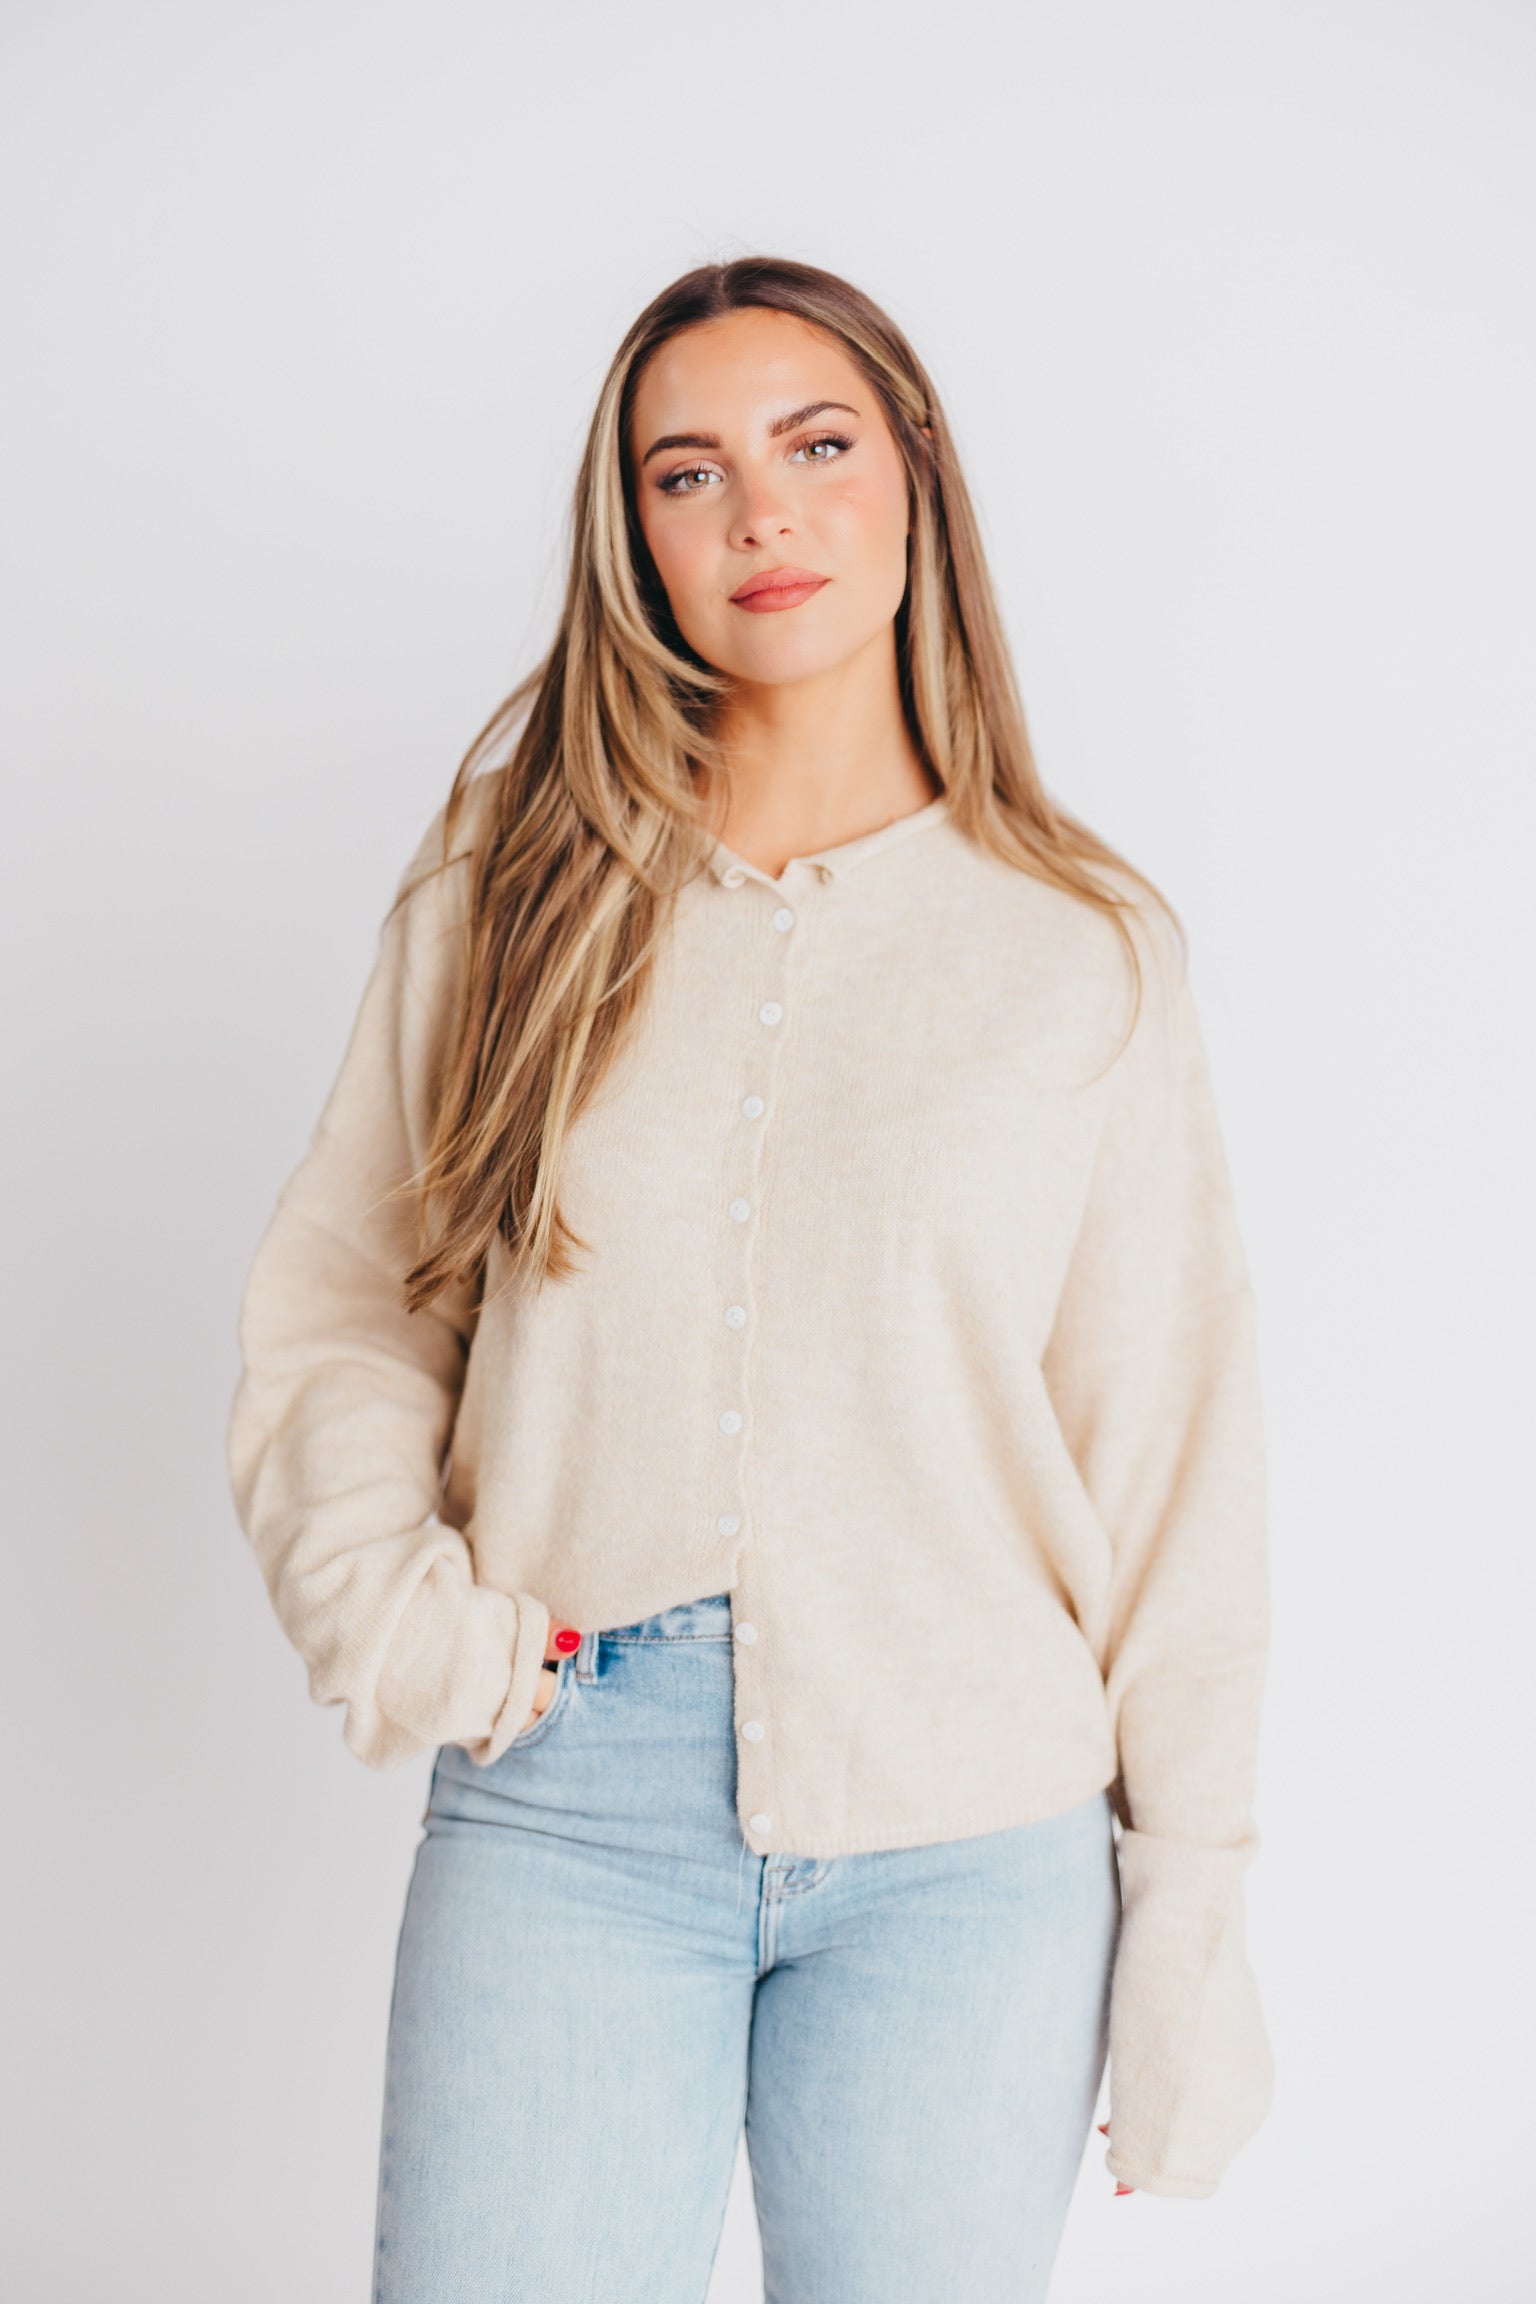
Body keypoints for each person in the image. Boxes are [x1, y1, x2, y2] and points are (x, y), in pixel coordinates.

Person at [227, 256, 1274, 2303]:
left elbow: (1175, 1467)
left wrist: (1192, 1934)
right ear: (636, 535)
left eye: (815, 446)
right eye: (687, 473)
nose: (761, 516)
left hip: (976, 1845)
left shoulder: (1083, 951)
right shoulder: (511, 884)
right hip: (567, 1810)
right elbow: (351, 1302)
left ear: (917, 475)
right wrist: (398, 1618)